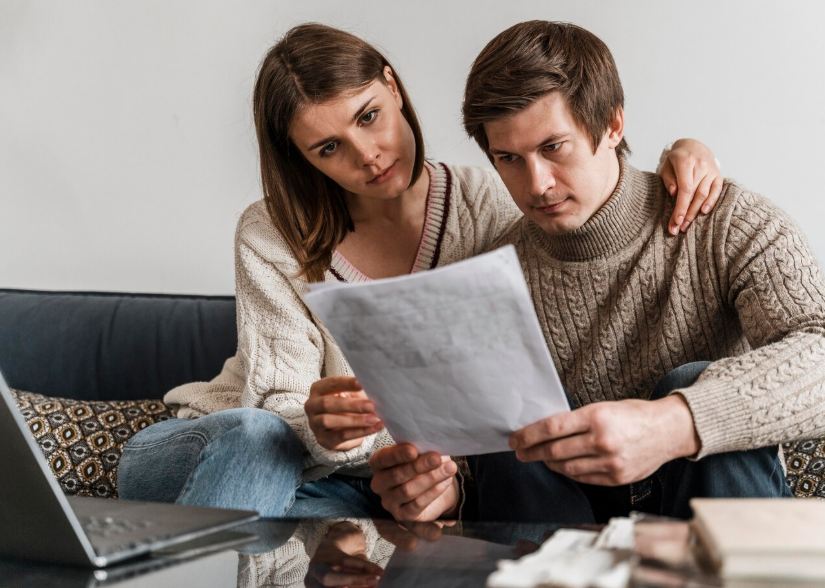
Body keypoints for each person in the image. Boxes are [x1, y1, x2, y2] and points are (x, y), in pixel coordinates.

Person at [117, 22, 724, 518]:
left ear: (393, 85)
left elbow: (591, 214)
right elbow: (275, 404)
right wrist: (323, 426)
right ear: (301, 159)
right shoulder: (270, 232)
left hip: (356, 494)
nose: (367, 154)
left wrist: (676, 154)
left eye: (368, 116)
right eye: (328, 148)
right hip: (224, 445)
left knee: (362, 537)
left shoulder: (491, 205)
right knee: (259, 441)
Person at [368, 20, 825, 524]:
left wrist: (674, 423)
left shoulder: (725, 220)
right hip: (565, 542)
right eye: (509, 158)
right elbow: (478, 464)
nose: (537, 183)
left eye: (553, 147)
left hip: (720, 523)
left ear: (613, 124)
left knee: (694, 379)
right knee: (524, 413)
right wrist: (444, 493)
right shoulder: (489, 274)